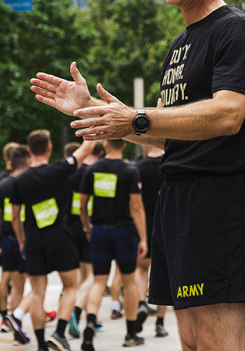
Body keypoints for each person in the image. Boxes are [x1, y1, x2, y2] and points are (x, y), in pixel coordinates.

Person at [30, 0, 245, 350]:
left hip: (219, 202)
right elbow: (167, 133)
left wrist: (137, 117)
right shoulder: (180, 44)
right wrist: (95, 111)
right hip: (179, 203)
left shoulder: (235, 30)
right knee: (193, 344)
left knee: (218, 344)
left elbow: (228, 114)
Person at [10, 131, 94, 351]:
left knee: (38, 292)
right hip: (58, 234)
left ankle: (40, 345)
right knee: (70, 286)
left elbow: (15, 216)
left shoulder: (19, 180)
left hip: (33, 238)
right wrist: (93, 125)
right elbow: (85, 149)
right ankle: (58, 333)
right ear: (49, 148)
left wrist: (21, 241)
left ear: (29, 151)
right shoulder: (58, 170)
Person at [79, 139, 147, 350]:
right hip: (124, 231)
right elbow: (136, 207)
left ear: (106, 144)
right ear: (124, 146)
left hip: (99, 230)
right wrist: (143, 237)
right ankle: (130, 333)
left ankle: (90, 321)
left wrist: (87, 227)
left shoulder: (93, 169)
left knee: (99, 281)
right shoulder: (129, 170)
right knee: (129, 282)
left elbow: (82, 204)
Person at [0, 145, 32, 344]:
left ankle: (14, 324)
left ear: (9, 163)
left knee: (16, 287)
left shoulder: (2, 185)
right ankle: (19, 320)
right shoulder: (31, 182)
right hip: (27, 238)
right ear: (28, 162)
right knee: (35, 287)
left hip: (7, 240)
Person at [65, 142, 104, 338]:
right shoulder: (91, 172)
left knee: (80, 274)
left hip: (69, 226)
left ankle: (77, 309)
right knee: (94, 276)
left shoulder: (67, 174)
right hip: (87, 225)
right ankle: (78, 308)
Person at [135, 144, 170, 334]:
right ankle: (160, 322)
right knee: (163, 270)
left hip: (145, 222)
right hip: (167, 220)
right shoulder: (169, 164)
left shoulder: (139, 167)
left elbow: (134, 202)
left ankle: (141, 302)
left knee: (141, 269)